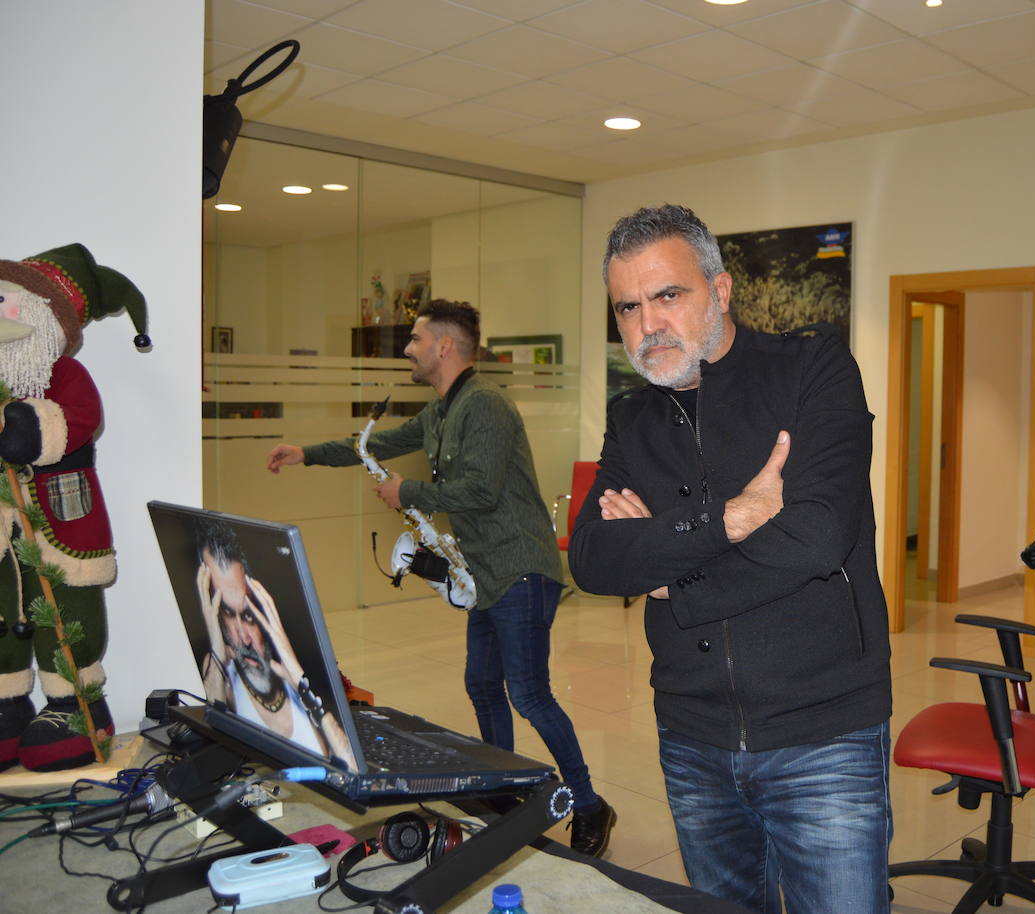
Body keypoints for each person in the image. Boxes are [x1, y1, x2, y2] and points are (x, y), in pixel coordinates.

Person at [569, 204, 893, 914]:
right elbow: (593, 559)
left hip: (824, 735)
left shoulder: (813, 369)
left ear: (719, 291)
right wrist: (731, 519)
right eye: (628, 305)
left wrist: (671, 583)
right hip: (692, 737)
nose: (647, 323)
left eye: (668, 295)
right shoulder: (632, 416)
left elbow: (816, 537)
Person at [265, 299, 615, 857]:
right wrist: (305, 453)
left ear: (444, 346)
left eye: (415, 339)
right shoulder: (442, 411)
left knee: (528, 693)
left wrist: (409, 493)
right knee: (482, 686)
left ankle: (591, 804)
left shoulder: (487, 407)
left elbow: (482, 490)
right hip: (482, 573)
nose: (408, 348)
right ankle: (502, 795)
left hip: (520, 570)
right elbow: (373, 446)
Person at [194, 520, 357, 771]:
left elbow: (354, 772)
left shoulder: (303, 684)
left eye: (248, 616)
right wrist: (216, 647)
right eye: (226, 613)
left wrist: (300, 684)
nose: (243, 638)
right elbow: (214, 738)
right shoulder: (221, 669)